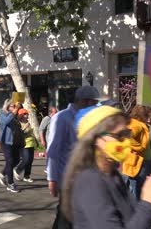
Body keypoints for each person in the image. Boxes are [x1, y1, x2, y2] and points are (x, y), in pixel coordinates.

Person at [61, 105, 151, 228]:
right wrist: (148, 204)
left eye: (127, 134)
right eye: (118, 136)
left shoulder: (112, 174)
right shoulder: (90, 180)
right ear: (95, 139)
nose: (126, 141)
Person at [46, 85, 100, 229]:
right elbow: (53, 150)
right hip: (68, 178)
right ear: (85, 101)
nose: (96, 107)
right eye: (94, 103)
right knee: (67, 217)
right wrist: (52, 178)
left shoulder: (89, 118)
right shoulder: (62, 118)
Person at [121, 105, 151, 200]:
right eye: (148, 114)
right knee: (135, 187)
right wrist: (139, 148)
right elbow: (126, 137)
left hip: (140, 159)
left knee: (136, 186)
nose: (150, 117)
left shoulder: (138, 123)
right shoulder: (136, 124)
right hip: (136, 160)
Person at [0, 99, 23, 193]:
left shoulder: (14, 116)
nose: (15, 108)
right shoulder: (3, 114)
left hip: (14, 142)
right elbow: (7, 121)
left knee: (17, 160)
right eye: (13, 106)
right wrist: (16, 110)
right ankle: (10, 184)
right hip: (5, 141)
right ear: (7, 107)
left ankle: (2, 174)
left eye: (15, 106)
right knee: (10, 161)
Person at [13, 108, 39, 183]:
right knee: (26, 159)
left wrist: (36, 141)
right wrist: (25, 126)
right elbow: (19, 133)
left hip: (31, 143)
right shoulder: (19, 123)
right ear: (21, 115)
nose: (27, 115)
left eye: (27, 114)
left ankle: (27, 176)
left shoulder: (28, 122)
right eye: (25, 114)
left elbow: (31, 132)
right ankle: (18, 170)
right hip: (24, 144)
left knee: (30, 161)